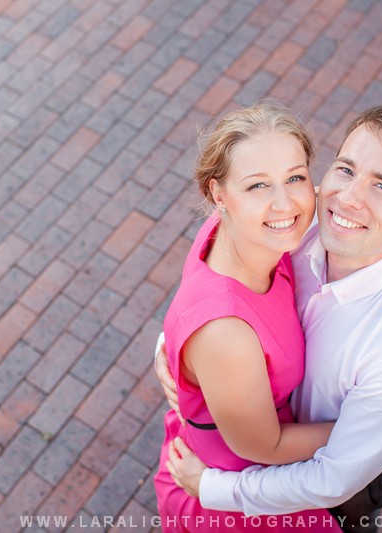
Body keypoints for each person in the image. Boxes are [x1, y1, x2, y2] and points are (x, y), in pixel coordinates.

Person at [158, 105, 382, 532]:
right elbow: (218, 279)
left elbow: (332, 479)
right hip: (246, 442)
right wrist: (174, 350)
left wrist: (213, 490)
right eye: (347, 170)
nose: (350, 198)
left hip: (331, 486)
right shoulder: (294, 220)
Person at [153, 103, 342, 532]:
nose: (284, 203)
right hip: (240, 494)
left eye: (295, 177)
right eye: (258, 185)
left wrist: (166, 349)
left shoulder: (227, 232)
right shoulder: (228, 335)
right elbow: (267, 445)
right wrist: (372, 427)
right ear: (219, 195)